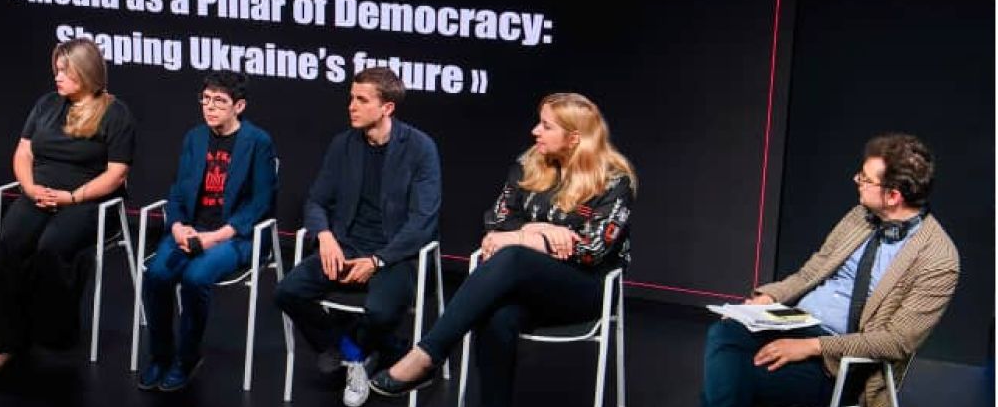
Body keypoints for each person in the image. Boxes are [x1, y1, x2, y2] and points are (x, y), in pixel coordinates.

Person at [368, 92, 637, 406]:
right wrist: (539, 230)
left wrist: (522, 239)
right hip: (528, 286)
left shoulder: (613, 180)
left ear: (574, 138)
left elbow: (591, 249)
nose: (535, 131)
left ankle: (427, 355)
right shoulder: (530, 163)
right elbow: (496, 221)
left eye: (547, 126)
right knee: (498, 316)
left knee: (512, 256)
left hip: (585, 289)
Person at [698, 134, 959, 407]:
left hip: (838, 359)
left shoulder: (938, 259)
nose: (856, 180)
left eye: (865, 179)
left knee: (736, 377)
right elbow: (810, 272)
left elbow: (895, 342)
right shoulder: (859, 216)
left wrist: (812, 347)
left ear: (893, 196)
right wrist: (769, 298)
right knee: (724, 334)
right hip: (795, 322)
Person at [274, 66, 442, 407]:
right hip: (346, 245)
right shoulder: (343, 144)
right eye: (351, 98)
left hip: (394, 254)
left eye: (362, 100)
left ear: (387, 108)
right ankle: (355, 352)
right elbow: (317, 200)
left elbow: (423, 221)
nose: (351, 106)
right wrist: (325, 237)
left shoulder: (420, 147)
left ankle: (363, 351)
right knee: (287, 291)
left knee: (380, 312)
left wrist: (378, 260)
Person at [0, 38, 136, 376]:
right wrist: (29, 187)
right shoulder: (47, 104)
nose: (57, 76)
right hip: (40, 191)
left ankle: (52, 332)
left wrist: (73, 197)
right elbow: (23, 152)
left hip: (89, 198)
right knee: (9, 244)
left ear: (87, 72)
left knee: (52, 246)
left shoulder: (115, 112)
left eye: (65, 71)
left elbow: (117, 173)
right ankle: (7, 341)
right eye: (57, 70)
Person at [136, 71, 279, 391]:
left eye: (219, 101)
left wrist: (215, 237)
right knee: (157, 275)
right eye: (206, 99)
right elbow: (178, 190)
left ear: (238, 106)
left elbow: (260, 202)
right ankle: (160, 356)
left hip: (235, 235)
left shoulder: (258, 142)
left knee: (195, 277)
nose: (210, 107)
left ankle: (187, 358)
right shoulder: (195, 138)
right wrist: (177, 226)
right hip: (191, 228)